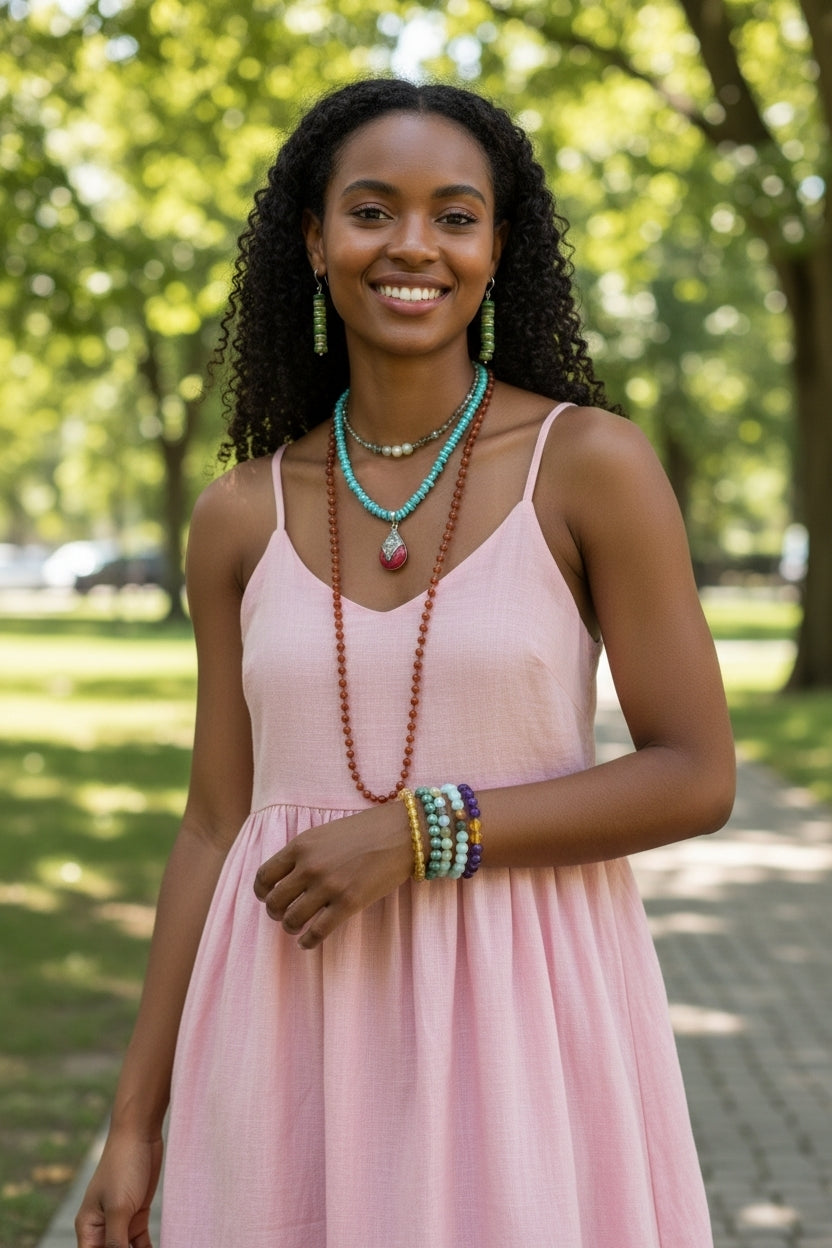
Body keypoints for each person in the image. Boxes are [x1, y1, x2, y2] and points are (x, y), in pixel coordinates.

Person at [75, 78, 735, 1248]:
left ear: (496, 248)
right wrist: (137, 1117)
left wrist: (426, 829)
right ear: (314, 241)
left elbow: (695, 773)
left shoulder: (591, 464)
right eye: (372, 212)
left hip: (522, 1021)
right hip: (281, 1027)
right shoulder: (238, 513)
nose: (413, 245)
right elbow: (213, 824)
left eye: (455, 215)